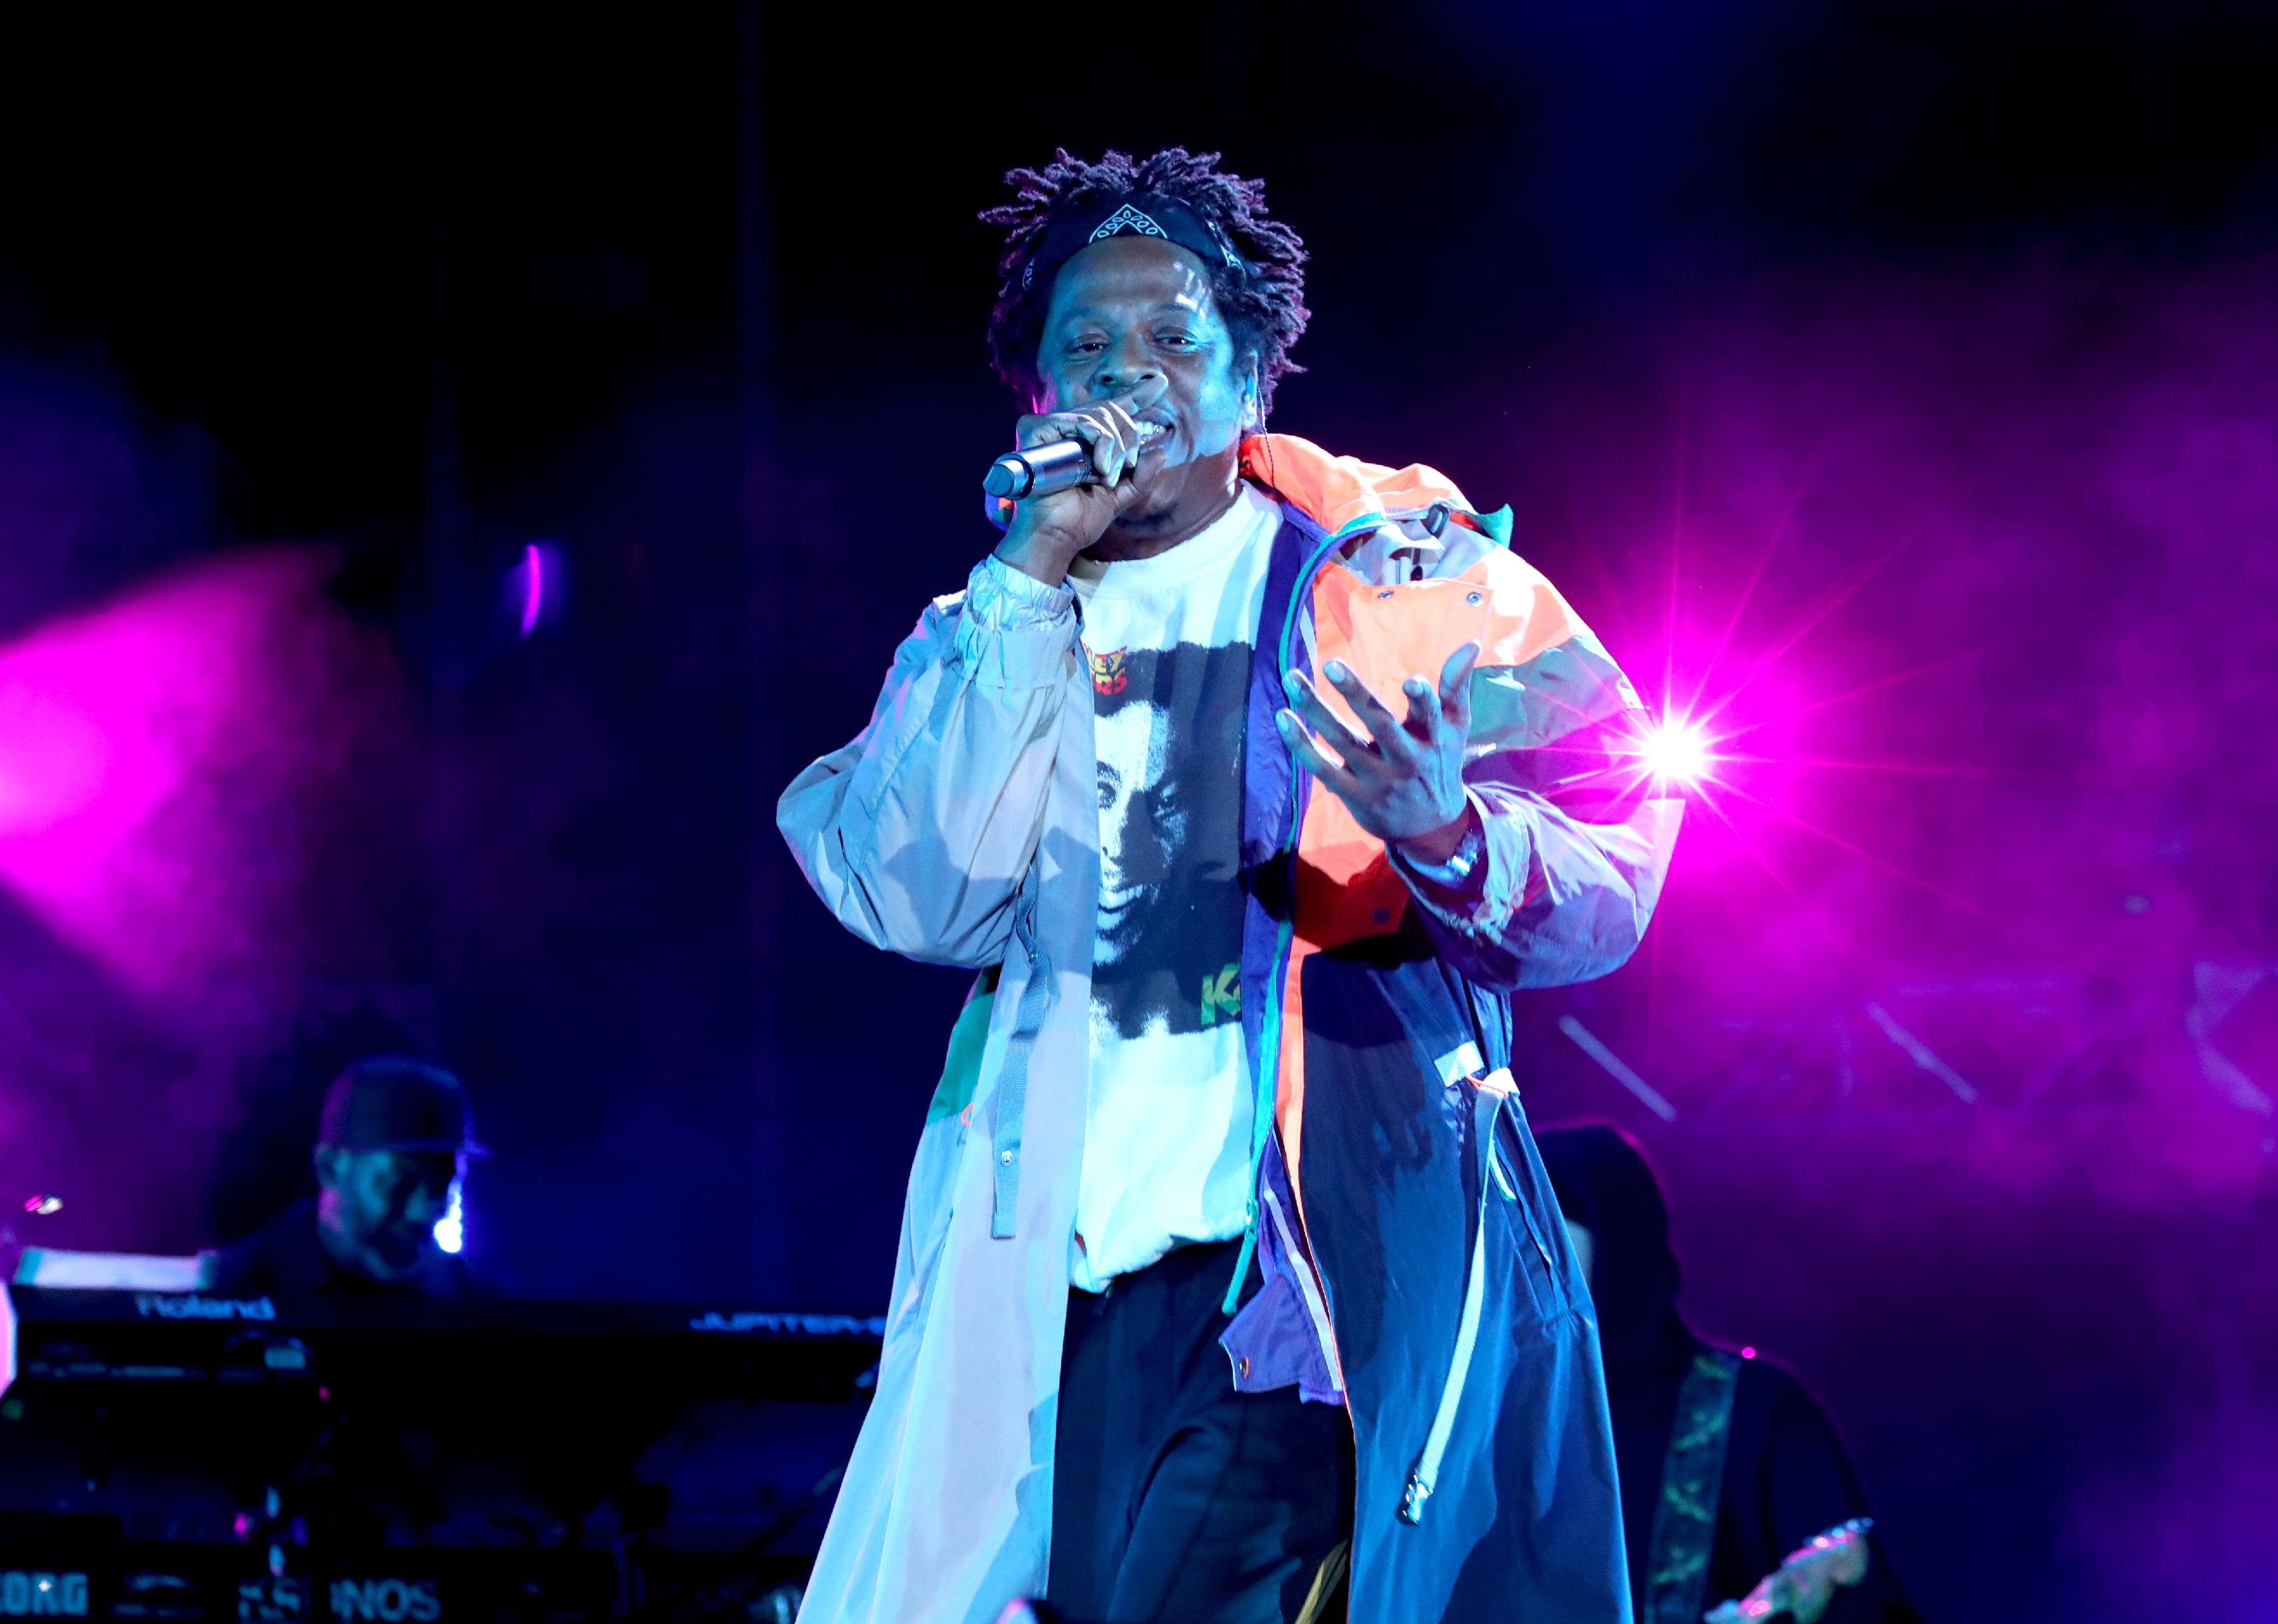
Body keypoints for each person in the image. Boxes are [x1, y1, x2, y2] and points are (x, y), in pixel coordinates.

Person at [778, 147, 1682, 1624]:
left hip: (1307, 1281)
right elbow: (912, 897)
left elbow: (1612, 876)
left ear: (1252, 373)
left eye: (1171, 338)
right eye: (1085, 346)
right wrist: (1023, 574)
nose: (1125, 374)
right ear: (1033, 398)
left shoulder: (1405, 586)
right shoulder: (987, 624)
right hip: (1062, 1295)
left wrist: (1448, 833)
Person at [1531, 1125, 1921, 1623]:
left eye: (1549, 1235)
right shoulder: (1491, 1423)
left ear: (1620, 1247)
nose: (1525, 1266)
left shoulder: (1754, 1412)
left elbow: (1866, 1613)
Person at [207, 1056, 482, 1300]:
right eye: (399, 1184)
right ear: (329, 1167)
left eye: (444, 1183)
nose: (423, 1211)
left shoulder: (480, 1301)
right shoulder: (230, 1289)